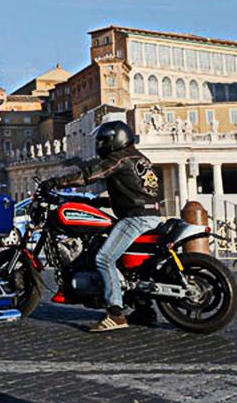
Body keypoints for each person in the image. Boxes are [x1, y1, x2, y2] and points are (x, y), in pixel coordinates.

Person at [40, 120, 162, 331]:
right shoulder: (140, 158)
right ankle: (144, 309)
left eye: (103, 140)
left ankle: (115, 314)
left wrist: (55, 182)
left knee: (104, 258)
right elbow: (132, 192)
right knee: (124, 263)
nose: (100, 145)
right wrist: (95, 202)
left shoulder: (119, 158)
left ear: (115, 140)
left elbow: (90, 175)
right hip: (148, 214)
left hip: (136, 217)